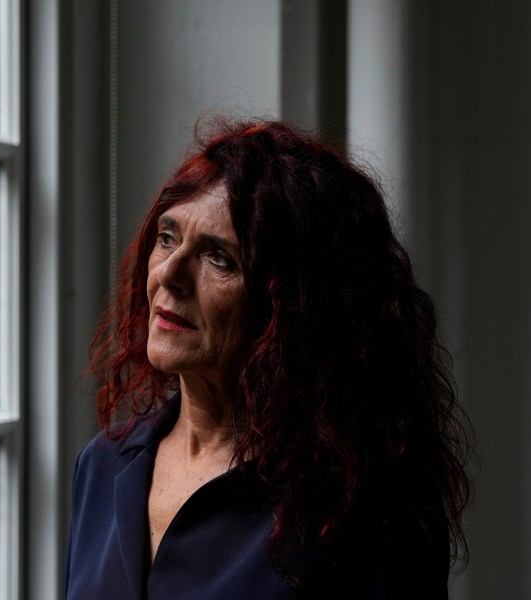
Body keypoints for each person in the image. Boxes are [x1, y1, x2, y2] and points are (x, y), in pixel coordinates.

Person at [65, 120, 473, 599]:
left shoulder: (364, 505)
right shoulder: (103, 465)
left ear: (296, 305)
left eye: (220, 259)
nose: (168, 275)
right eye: (168, 237)